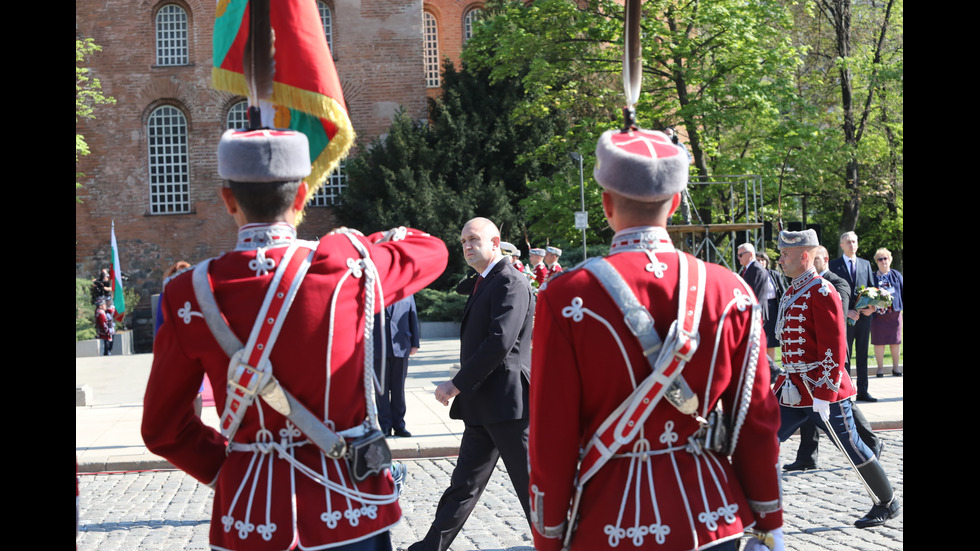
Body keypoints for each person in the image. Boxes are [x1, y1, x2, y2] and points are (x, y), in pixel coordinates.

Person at [141, 127, 449, 551]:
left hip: (250, 516)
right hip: (348, 513)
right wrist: (359, 244)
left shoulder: (189, 292)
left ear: (228, 199)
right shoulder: (347, 269)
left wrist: (235, 469)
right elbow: (431, 251)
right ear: (302, 197)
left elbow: (162, 429)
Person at [528, 128, 784, 551]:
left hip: (608, 525)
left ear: (606, 203)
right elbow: (756, 421)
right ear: (678, 201)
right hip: (714, 519)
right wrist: (769, 520)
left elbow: (550, 438)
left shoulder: (566, 296)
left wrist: (548, 536)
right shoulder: (730, 290)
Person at [409, 217, 534, 551]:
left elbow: (499, 342)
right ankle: (430, 547)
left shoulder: (511, 281)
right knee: (463, 484)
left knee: (531, 484)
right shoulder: (485, 280)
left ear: (496, 243)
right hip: (483, 406)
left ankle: (562, 542)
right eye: (463, 240)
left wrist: (456, 384)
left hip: (508, 406)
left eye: (474, 239)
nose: (466, 246)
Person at [773, 229, 900, 528]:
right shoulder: (793, 290)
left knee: (852, 446)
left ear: (805, 256)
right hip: (794, 390)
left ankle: (887, 501)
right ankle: (751, 505)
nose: (780, 260)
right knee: (762, 438)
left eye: (785, 255)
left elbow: (833, 347)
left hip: (822, 389)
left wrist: (824, 394)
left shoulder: (822, 290)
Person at [783, 245, 882, 472]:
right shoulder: (799, 287)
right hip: (806, 369)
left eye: (815, 259)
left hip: (830, 359)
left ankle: (871, 443)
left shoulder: (834, 283)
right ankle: (808, 453)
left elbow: (838, 315)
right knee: (810, 409)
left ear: (823, 259)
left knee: (843, 413)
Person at [829, 231, 878, 402]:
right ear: (842, 245)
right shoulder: (834, 266)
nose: (852, 245)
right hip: (845, 318)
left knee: (863, 354)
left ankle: (863, 391)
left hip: (864, 317)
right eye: (848, 242)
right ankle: (846, 392)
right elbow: (832, 293)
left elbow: (873, 288)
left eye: (854, 241)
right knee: (845, 356)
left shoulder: (865, 264)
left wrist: (872, 308)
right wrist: (845, 311)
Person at [374, 294, 420, 437]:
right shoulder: (373, 291)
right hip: (377, 346)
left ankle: (399, 425)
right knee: (381, 390)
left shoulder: (407, 292)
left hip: (401, 345)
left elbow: (413, 317)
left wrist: (415, 343)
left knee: (398, 389)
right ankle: (385, 426)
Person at [871, 247, 903, 377]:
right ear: (876, 262)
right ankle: (880, 369)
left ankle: (896, 368)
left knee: (895, 341)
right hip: (878, 316)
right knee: (879, 342)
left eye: (886, 258)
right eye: (880, 259)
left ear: (890, 260)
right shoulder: (873, 277)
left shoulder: (896, 275)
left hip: (894, 314)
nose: (883, 261)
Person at [757, 251, 785, 362]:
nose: (760, 262)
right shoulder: (752, 274)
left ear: (767, 262)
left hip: (772, 308)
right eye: (758, 260)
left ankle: (772, 366)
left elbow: (782, 291)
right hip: (759, 309)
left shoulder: (773, 274)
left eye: (762, 260)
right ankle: (761, 364)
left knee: (771, 340)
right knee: (760, 338)